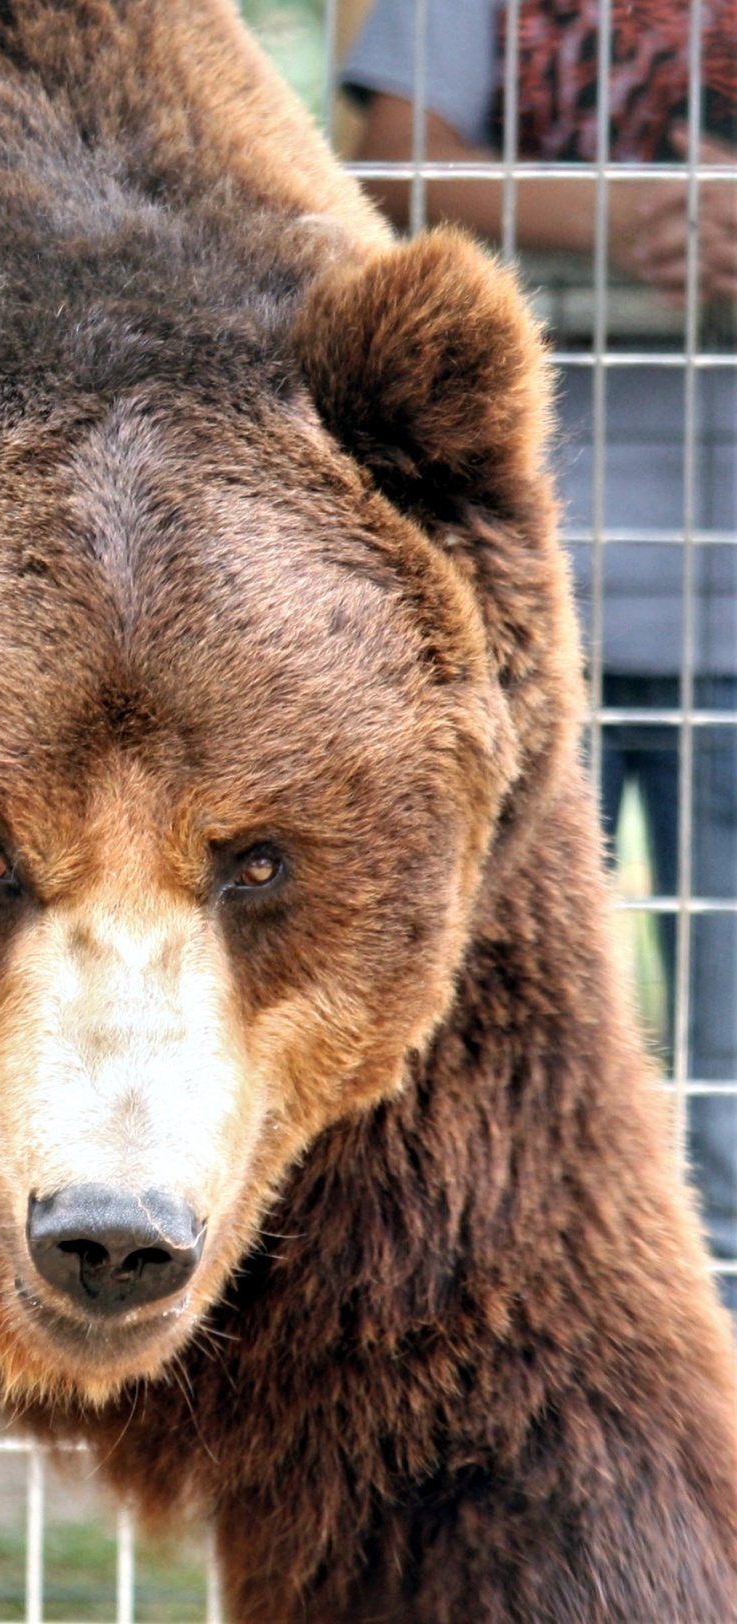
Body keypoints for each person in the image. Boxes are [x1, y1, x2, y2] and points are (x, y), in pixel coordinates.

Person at [343, 0, 737, 1304]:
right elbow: (385, 163)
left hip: (721, 596)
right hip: (507, 600)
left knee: (731, 1113)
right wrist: (621, 216)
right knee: (474, 1098)